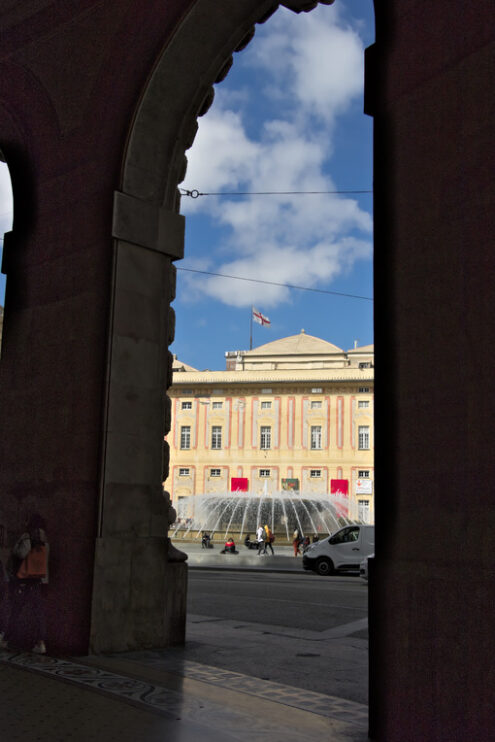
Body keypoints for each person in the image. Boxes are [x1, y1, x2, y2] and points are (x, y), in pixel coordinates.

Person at [0, 514, 49, 654]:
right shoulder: (44, 540)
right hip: (36, 581)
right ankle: (41, 642)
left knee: (16, 610)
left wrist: (17, 544)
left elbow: (21, 553)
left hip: (24, 580)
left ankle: (6, 639)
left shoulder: (28, 537)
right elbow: (44, 563)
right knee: (38, 613)